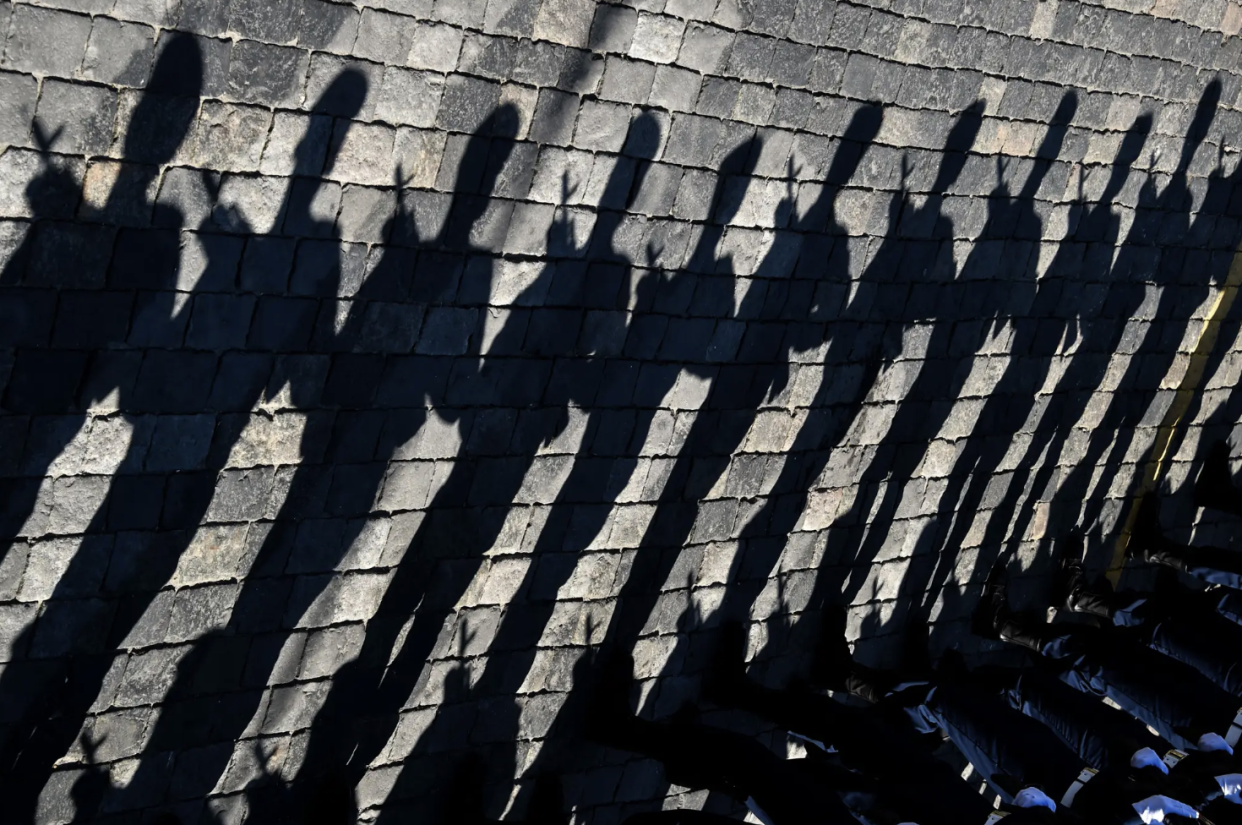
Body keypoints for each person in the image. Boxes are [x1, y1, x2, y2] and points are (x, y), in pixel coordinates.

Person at [811, 611, 1197, 825]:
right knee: (962, 713)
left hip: (1054, 791)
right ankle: (892, 690)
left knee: (944, 715)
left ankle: (846, 684)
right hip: (1082, 778)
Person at [703, 620, 1084, 825]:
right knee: (868, 739)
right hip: (982, 814)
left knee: (815, 797)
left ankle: (713, 763)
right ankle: (747, 698)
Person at [975, 563, 1242, 756]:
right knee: (1133, 668)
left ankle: (1012, 632)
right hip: (1226, 726)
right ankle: (1039, 644)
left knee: (1122, 673)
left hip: (1219, 736)